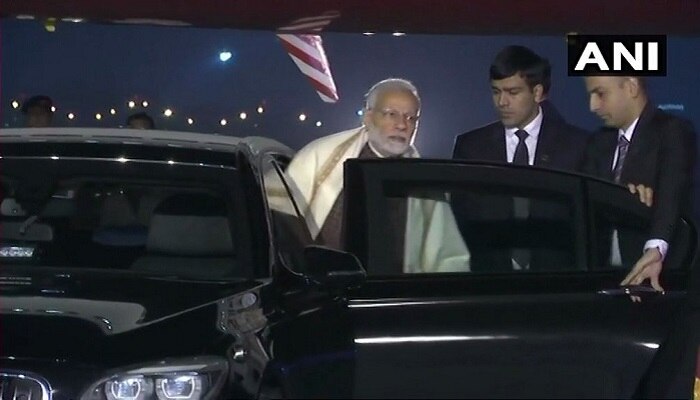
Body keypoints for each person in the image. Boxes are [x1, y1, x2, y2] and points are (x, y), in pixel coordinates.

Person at [284, 78, 470, 273]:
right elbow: (281, 225)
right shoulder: (319, 156)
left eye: (410, 118)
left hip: (392, 296)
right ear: (368, 117)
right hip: (322, 289)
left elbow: (449, 259)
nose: (401, 125)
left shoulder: (423, 182)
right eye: (391, 114)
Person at [451, 45, 589, 272]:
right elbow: (460, 222)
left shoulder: (577, 146)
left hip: (559, 284)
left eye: (512, 92)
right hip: (489, 286)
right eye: (496, 92)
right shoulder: (471, 147)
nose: (502, 102)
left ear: (537, 93)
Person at [582, 76, 696, 299]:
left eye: (601, 94)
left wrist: (655, 248)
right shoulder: (598, 143)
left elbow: (671, 195)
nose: (593, 106)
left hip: (654, 283)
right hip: (602, 279)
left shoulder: (673, 132)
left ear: (631, 87)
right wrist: (623, 197)